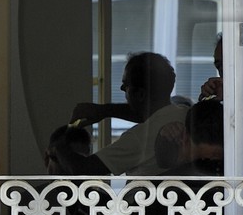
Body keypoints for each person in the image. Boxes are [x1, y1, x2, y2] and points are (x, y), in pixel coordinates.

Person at [48, 52, 188, 177]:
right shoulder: (185, 113)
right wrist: (103, 111)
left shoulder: (139, 138)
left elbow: (83, 169)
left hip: (138, 205)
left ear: (140, 94)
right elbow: (150, 116)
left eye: (126, 85)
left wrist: (58, 147)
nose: (121, 88)